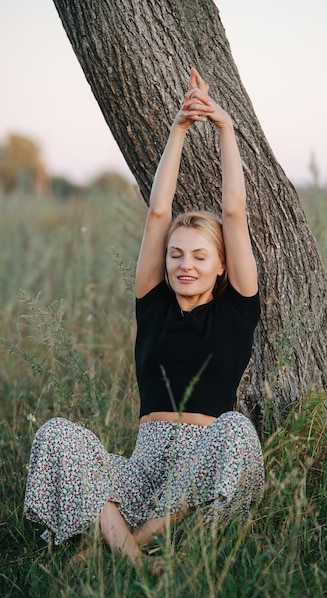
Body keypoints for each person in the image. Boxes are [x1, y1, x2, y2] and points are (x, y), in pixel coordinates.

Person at [24, 68, 265, 568]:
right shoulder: (152, 303)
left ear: (221, 265)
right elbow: (158, 212)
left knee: (238, 431)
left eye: (200, 256)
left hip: (201, 466)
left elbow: (235, 213)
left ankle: (124, 541)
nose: (185, 265)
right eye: (176, 255)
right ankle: (136, 555)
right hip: (143, 467)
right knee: (56, 434)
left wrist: (225, 129)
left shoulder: (236, 310)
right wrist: (178, 129)